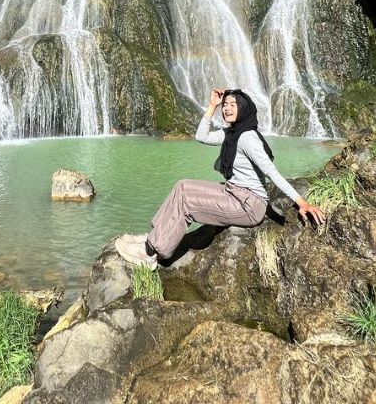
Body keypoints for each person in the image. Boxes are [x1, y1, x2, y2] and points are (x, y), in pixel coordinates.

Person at [115, 87, 326, 268]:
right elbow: (201, 137)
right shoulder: (231, 133)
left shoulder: (247, 138)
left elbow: (271, 172)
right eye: (225, 104)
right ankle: (154, 239)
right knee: (182, 187)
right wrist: (212, 106)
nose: (227, 107)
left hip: (248, 205)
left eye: (233, 104)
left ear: (244, 108)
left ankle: (153, 255)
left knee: (187, 203)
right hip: (232, 191)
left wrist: (301, 202)